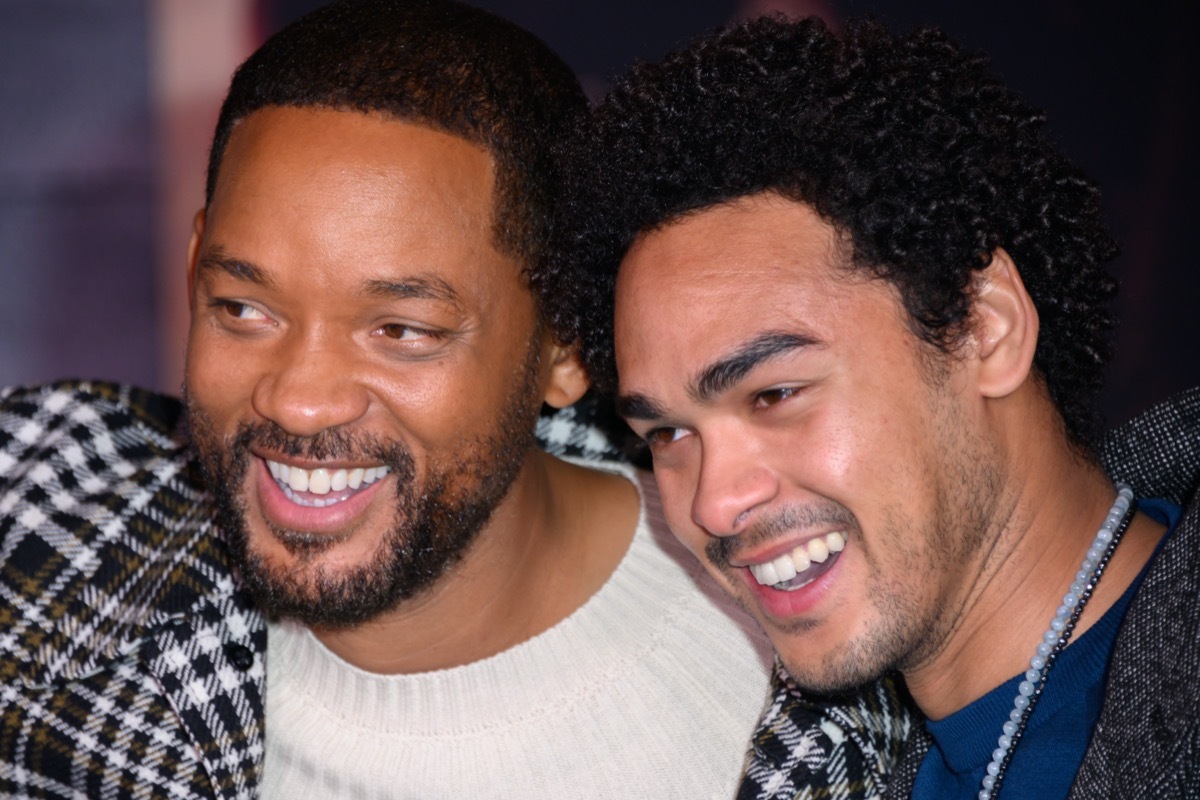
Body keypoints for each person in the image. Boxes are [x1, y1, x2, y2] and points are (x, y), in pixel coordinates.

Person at [0, 3, 787, 797]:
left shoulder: (804, 653)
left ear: (570, 342)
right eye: (244, 309)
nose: (299, 403)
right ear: (196, 262)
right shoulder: (39, 515)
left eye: (402, 330)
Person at [557, 14, 1200, 800]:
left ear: (983, 329)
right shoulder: (828, 767)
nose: (714, 503)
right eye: (670, 433)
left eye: (775, 394)